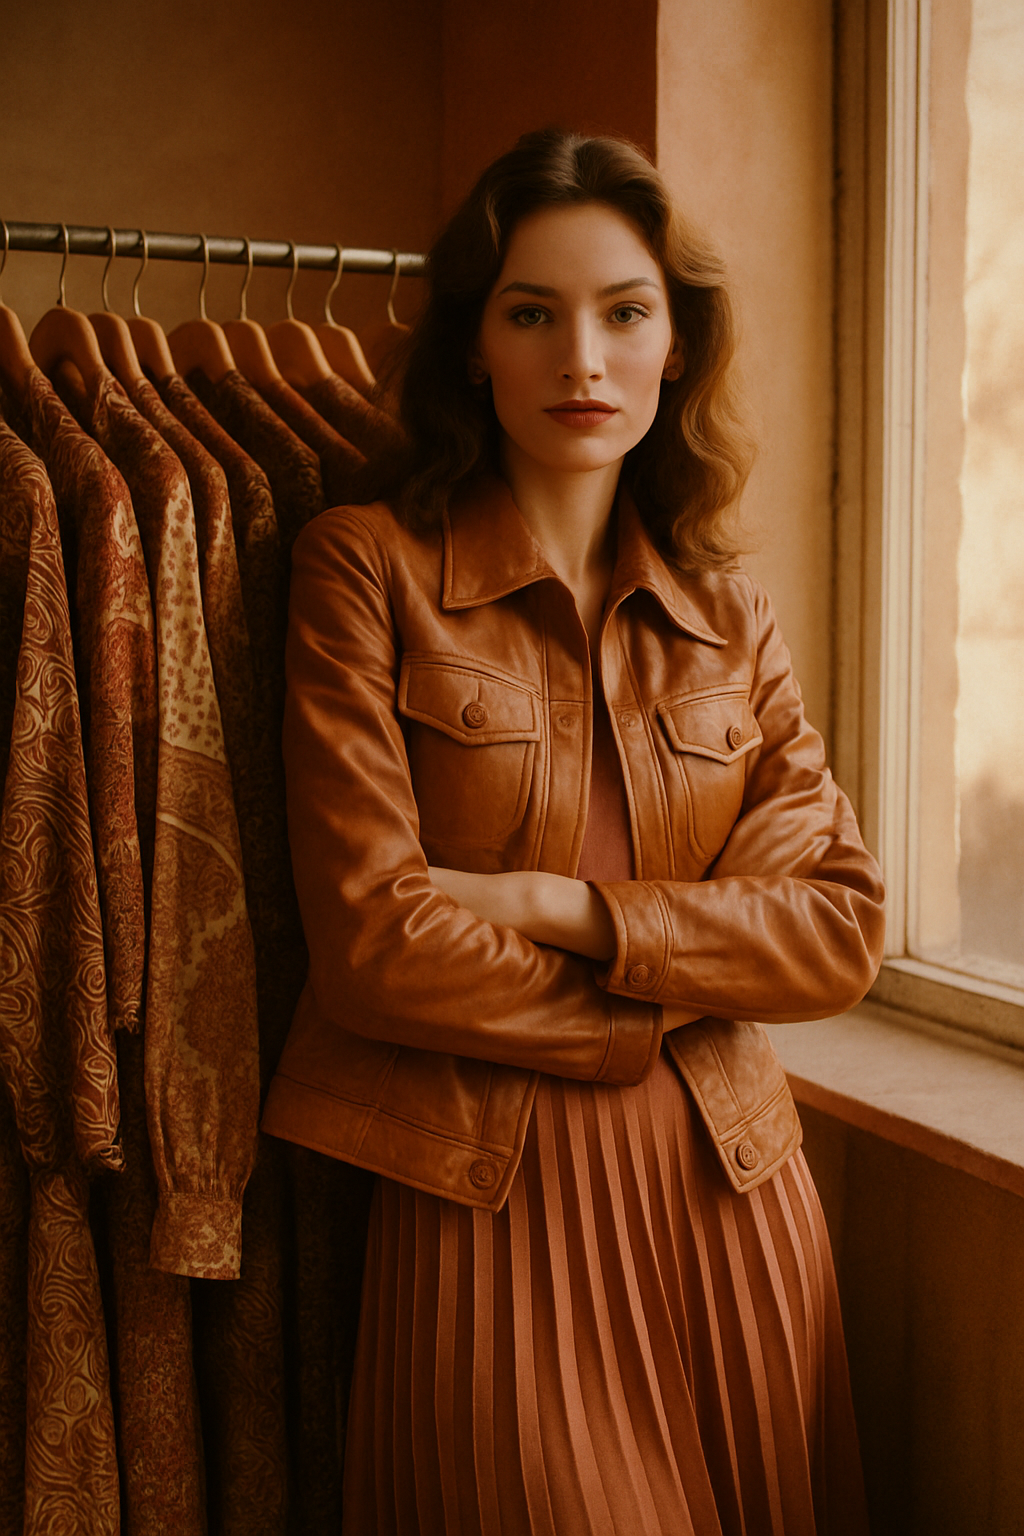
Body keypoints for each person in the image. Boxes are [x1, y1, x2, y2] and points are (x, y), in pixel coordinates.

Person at [262, 128, 885, 1535]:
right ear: (475, 345)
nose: (581, 360)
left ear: (678, 346)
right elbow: (374, 945)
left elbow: (840, 929)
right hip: (488, 1199)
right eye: (532, 312)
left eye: (624, 313)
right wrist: (680, 985)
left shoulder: (731, 617)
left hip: (736, 1194)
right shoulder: (365, 569)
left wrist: (562, 906)